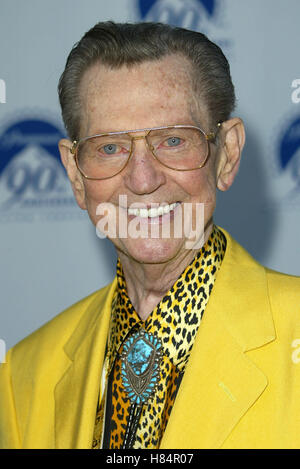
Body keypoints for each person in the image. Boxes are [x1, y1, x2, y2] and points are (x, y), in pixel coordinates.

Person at [0, 21, 300, 450]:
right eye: (109, 147)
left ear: (227, 155)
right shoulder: (23, 373)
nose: (142, 180)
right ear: (75, 175)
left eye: (174, 140)